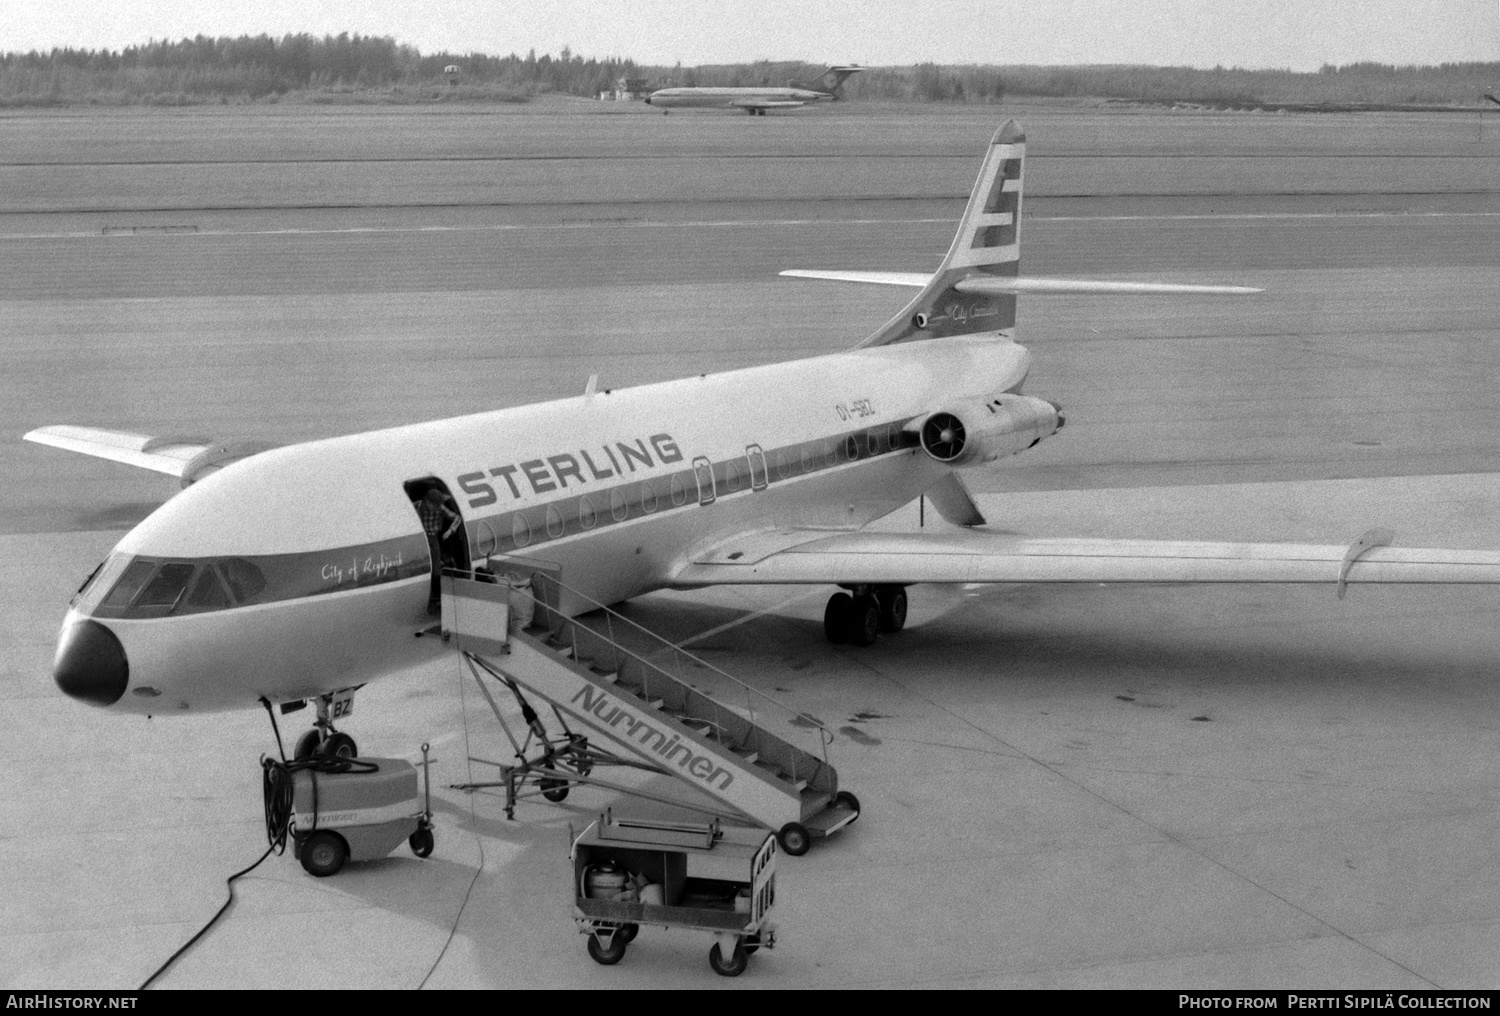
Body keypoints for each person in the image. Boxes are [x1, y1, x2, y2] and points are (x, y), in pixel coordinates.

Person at [417, 489, 461, 614]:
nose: (437, 506)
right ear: (427, 502)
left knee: (435, 569)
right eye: (435, 504)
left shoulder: (440, 508)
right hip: (422, 539)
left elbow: (457, 518)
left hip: (433, 538)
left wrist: (450, 531)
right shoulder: (418, 509)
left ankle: (436, 597)